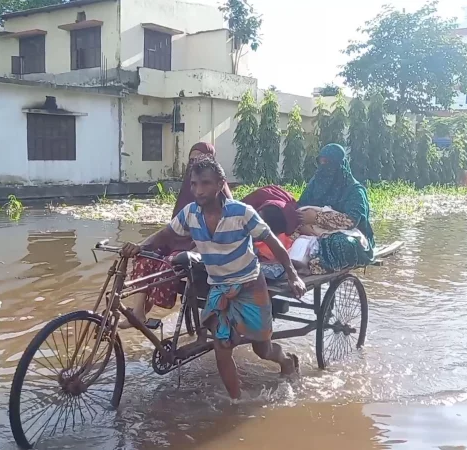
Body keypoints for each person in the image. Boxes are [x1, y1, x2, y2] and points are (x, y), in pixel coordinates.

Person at [121, 157, 305, 399]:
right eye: (194, 184)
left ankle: (287, 361)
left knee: (262, 348)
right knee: (221, 347)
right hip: (219, 287)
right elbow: (166, 233)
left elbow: (274, 244)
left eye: (205, 183)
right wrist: (140, 245)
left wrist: (293, 275)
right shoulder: (190, 214)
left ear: (220, 184)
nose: (198, 190)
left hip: (250, 285)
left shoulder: (242, 212)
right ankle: (236, 403)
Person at [119, 142, 233, 329]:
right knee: (145, 256)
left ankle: (152, 304)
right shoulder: (190, 194)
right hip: (181, 243)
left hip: (206, 251)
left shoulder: (227, 203)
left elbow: (223, 238)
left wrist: (199, 248)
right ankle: (139, 311)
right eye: (192, 160)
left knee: (169, 263)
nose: (195, 164)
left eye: (200, 159)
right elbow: (169, 230)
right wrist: (141, 246)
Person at [297, 143, 375, 271]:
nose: (324, 167)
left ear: (339, 164)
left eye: (328, 163)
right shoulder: (316, 183)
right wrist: (303, 226)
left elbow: (351, 221)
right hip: (312, 230)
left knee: (342, 243)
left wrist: (317, 218)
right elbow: (300, 207)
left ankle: (318, 265)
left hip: (347, 234)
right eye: (321, 162)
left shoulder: (354, 190)